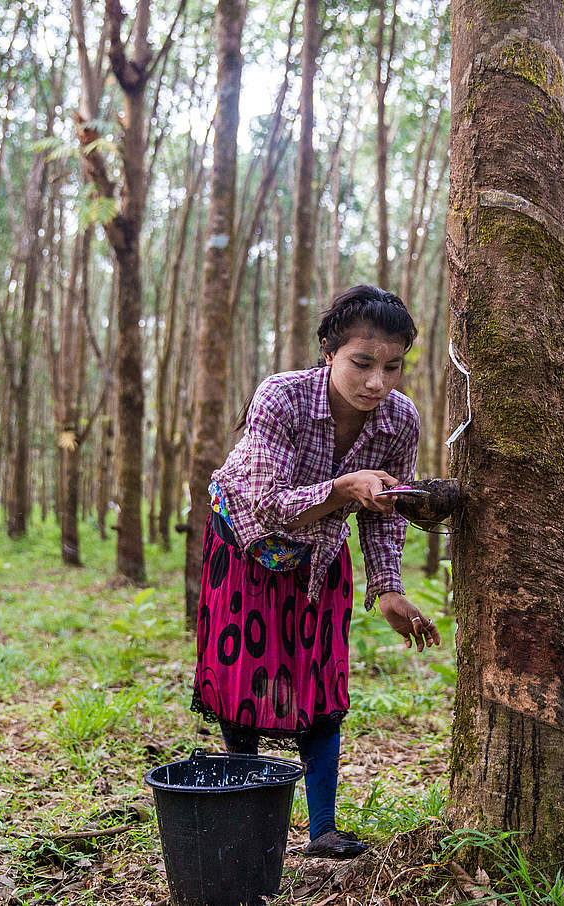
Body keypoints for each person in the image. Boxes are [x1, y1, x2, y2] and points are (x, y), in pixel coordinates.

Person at [191, 284, 441, 859]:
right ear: (329, 352)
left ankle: (322, 829)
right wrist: (344, 487)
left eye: (392, 367)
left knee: (321, 678)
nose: (376, 381)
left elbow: (386, 510)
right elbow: (267, 501)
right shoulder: (281, 398)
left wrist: (387, 589)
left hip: (321, 552)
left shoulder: (400, 421)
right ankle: (245, 808)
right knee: (242, 675)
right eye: (361, 363)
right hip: (246, 543)